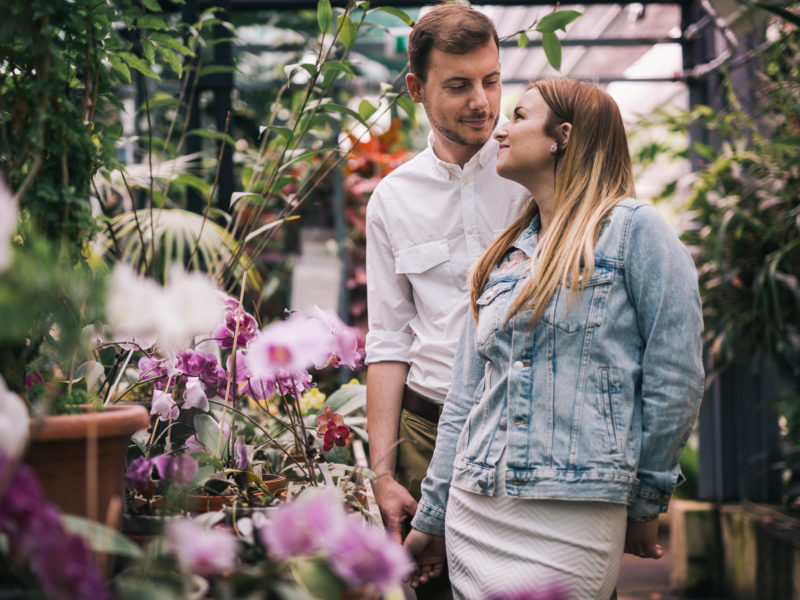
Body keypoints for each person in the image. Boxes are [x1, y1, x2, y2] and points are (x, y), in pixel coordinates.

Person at [403, 77, 705, 600]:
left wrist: (646, 499)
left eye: (518, 117)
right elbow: (463, 401)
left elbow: (675, 377)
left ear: (561, 135)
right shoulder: (500, 258)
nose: (500, 130)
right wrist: (432, 515)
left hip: (574, 505)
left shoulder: (636, 232)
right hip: (476, 507)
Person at [364, 3, 528, 595]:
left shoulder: (534, 171)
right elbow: (387, 339)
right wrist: (382, 472)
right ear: (416, 88)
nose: (482, 101)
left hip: (528, 419)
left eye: (491, 79)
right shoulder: (391, 200)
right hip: (427, 428)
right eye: (458, 85)